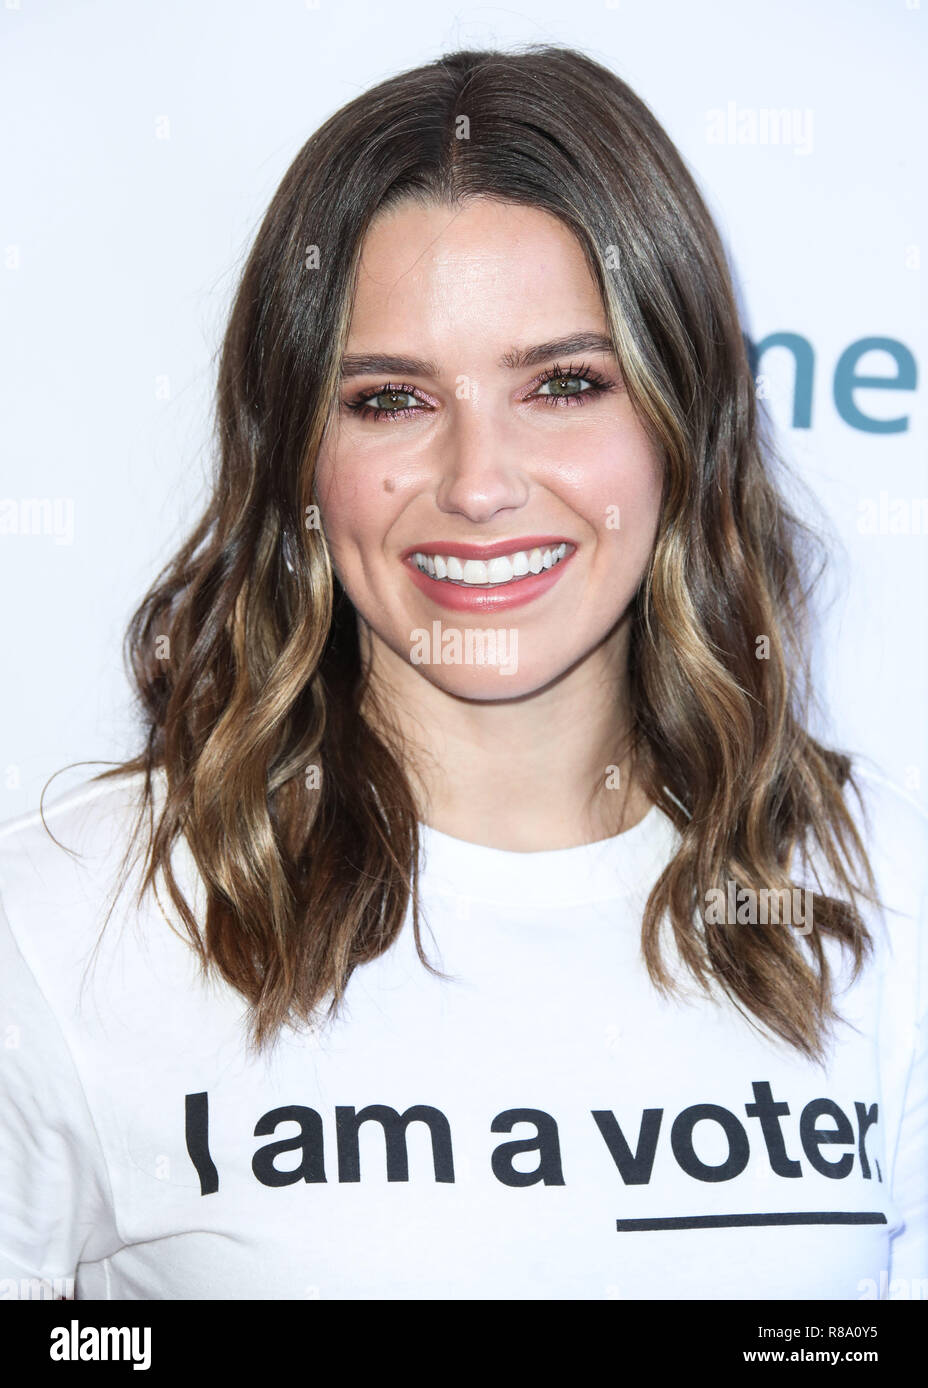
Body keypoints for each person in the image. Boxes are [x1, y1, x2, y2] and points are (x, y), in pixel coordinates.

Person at [0, 44, 924, 1302]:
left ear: (681, 423)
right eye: (390, 399)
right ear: (295, 456)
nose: (479, 484)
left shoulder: (873, 885)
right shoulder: (59, 927)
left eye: (563, 383)